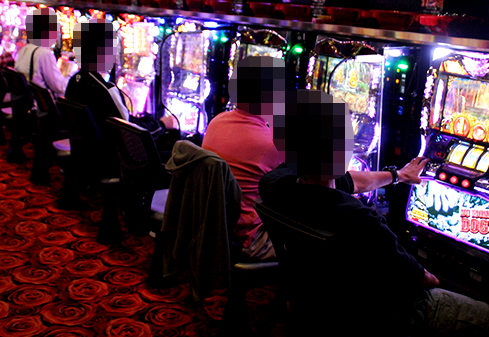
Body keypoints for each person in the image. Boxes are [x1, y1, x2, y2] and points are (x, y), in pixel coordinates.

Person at [258, 89, 489, 336]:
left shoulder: (274, 186)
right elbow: (423, 280)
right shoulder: (361, 221)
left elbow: (348, 181)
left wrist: (398, 175)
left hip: (317, 303)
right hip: (386, 314)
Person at [202, 56, 438, 261]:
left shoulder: (218, 121)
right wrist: (398, 175)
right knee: (348, 243)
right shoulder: (270, 144)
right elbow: (338, 179)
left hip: (218, 227)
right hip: (253, 239)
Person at [15, 7, 72, 98]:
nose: (58, 35)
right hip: (38, 103)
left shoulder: (25, 49)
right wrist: (72, 73)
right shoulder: (44, 53)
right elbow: (60, 87)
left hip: (24, 99)